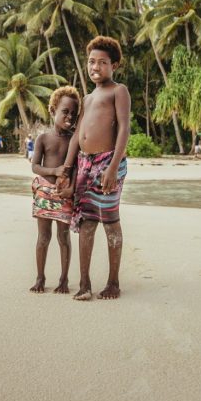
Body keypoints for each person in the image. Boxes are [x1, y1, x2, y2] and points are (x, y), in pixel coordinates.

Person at [57, 36, 130, 301]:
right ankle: (84, 283)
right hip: (85, 165)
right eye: (91, 61)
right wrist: (66, 168)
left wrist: (112, 167)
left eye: (102, 62)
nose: (95, 67)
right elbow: (77, 135)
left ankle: (113, 282)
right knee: (86, 224)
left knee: (110, 222)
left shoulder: (117, 91)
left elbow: (124, 128)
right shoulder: (87, 99)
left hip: (108, 163)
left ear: (114, 65)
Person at [30, 86, 81, 293]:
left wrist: (72, 189)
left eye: (73, 113)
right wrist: (55, 170)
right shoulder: (43, 138)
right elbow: (35, 166)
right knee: (43, 237)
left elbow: (77, 168)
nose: (69, 116)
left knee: (63, 237)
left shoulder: (74, 140)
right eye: (65, 111)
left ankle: (64, 280)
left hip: (64, 194)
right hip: (44, 191)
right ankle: (40, 278)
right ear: (53, 111)